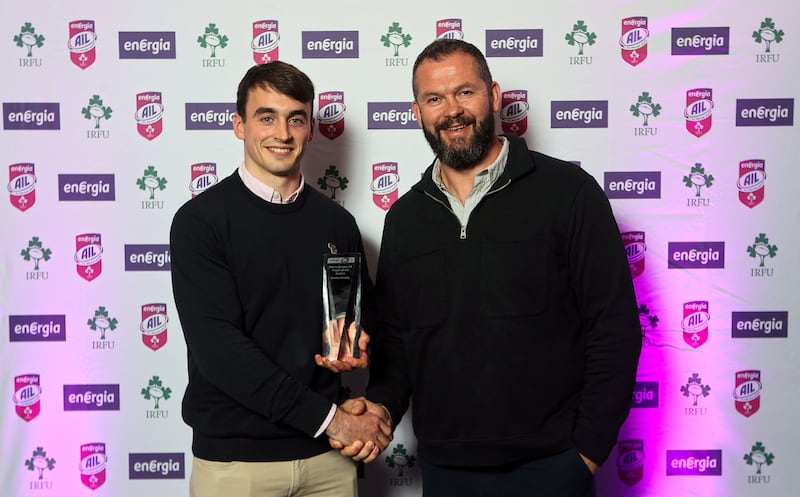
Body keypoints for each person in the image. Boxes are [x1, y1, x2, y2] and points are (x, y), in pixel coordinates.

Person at [334, 39, 642, 496]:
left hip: (552, 466)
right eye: (434, 99)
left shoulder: (569, 193)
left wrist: (587, 452)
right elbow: (398, 342)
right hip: (446, 471)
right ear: (417, 112)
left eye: (465, 92)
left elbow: (613, 327)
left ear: (494, 96)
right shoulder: (405, 218)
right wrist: (380, 407)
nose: (451, 110)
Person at [169, 61, 391, 497]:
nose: (282, 133)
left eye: (296, 119)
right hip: (236, 465)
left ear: (310, 128)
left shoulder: (338, 224)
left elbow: (354, 324)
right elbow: (221, 353)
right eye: (266, 117)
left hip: (328, 462)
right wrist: (332, 419)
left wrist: (358, 343)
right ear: (239, 125)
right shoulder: (201, 222)